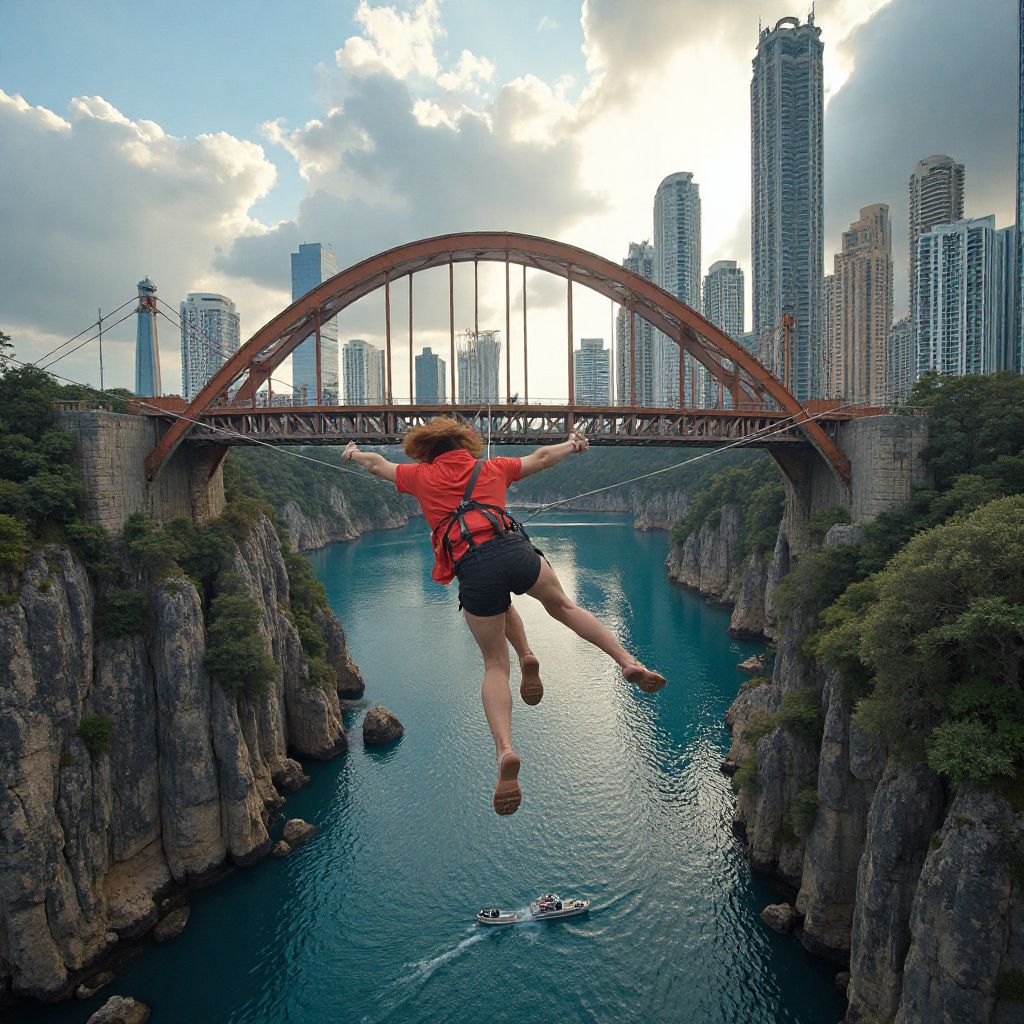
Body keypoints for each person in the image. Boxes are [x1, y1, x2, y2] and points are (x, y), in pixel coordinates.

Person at [342, 418, 666, 816]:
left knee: (495, 664)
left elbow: (378, 465)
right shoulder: (491, 467)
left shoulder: (418, 475)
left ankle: (506, 750)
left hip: (474, 569)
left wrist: (354, 453)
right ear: (467, 445)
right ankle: (627, 662)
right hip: (514, 550)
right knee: (565, 607)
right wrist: (572, 445)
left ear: (425, 450)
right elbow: (542, 457)